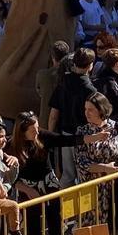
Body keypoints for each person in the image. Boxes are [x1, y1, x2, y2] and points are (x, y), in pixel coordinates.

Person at [75, 93, 118, 234]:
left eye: (91, 109)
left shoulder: (117, 127)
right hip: (92, 190)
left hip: (114, 188)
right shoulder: (82, 132)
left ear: (101, 110)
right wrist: (105, 168)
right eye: (85, 109)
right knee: (90, 231)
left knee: (110, 230)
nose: (86, 113)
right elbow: (81, 162)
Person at [48, 48, 97, 187]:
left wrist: (51, 137)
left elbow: (53, 115)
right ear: (90, 65)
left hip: (65, 135)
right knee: (85, 175)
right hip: (84, 137)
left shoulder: (62, 84)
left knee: (67, 176)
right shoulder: (91, 90)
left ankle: (66, 208)